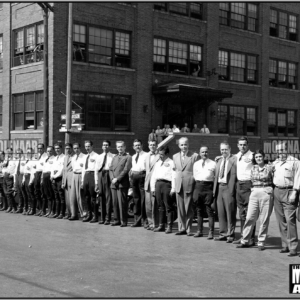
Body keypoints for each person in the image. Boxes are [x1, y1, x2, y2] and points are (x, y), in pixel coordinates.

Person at [237, 150, 274, 251]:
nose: (258, 158)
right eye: (257, 157)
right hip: (254, 193)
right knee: (250, 217)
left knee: (264, 219)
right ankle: (245, 240)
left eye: (260, 156)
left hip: (266, 193)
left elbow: (275, 179)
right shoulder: (253, 167)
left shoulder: (270, 167)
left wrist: (270, 189)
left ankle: (261, 242)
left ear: (264, 157)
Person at [272, 141, 300, 257]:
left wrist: (295, 191)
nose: (280, 153)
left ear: (287, 150)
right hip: (277, 191)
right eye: (278, 151)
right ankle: (285, 245)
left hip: (289, 192)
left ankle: (293, 247)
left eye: (282, 150)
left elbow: (298, 177)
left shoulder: (295, 162)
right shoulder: (275, 162)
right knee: (281, 220)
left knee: (290, 220)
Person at [173, 137, 199, 235]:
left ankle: (189, 229)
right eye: (182, 145)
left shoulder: (194, 156)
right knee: (180, 207)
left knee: (189, 207)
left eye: (185, 144)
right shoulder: (175, 156)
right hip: (179, 184)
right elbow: (175, 171)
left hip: (189, 184)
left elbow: (196, 171)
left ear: (188, 144)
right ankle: (182, 228)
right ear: (179, 145)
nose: (184, 146)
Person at [232, 137, 255, 245]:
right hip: (238, 184)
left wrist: (253, 160)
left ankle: (250, 238)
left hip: (248, 184)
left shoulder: (253, 156)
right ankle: (243, 237)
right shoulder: (236, 156)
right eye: (240, 144)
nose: (242, 146)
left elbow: (260, 164)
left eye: (244, 144)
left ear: (248, 145)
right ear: (237, 145)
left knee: (249, 213)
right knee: (241, 212)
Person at [213, 142, 237, 243]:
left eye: (225, 149)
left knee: (230, 212)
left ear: (230, 149)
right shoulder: (218, 160)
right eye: (222, 150)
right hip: (219, 187)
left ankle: (230, 234)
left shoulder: (234, 159)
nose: (224, 151)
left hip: (228, 187)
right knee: (221, 212)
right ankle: (222, 233)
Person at [151, 146, 176, 233]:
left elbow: (174, 176)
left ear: (167, 154)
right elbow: (154, 175)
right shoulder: (158, 163)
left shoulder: (172, 163)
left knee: (168, 206)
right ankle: (161, 225)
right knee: (160, 206)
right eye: (159, 154)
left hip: (166, 185)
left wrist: (173, 189)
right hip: (158, 184)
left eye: (162, 154)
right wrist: (153, 187)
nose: (160, 156)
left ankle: (169, 226)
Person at [193, 146, 216, 239]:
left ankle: (211, 232)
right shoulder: (196, 164)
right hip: (198, 186)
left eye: (206, 152)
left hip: (208, 187)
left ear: (208, 152)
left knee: (209, 210)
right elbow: (195, 176)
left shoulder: (213, 164)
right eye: (202, 152)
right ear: (199, 153)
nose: (204, 154)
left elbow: (215, 178)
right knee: (199, 210)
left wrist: (213, 191)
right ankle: (199, 231)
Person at [109, 141, 132, 227]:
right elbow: (110, 169)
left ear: (125, 147)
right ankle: (116, 220)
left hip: (122, 183)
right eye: (118, 147)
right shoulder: (114, 157)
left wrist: (117, 179)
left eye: (121, 146)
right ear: (116, 148)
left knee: (122, 203)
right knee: (115, 202)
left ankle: (123, 221)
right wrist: (112, 178)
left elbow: (126, 170)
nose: (120, 148)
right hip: (113, 183)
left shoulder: (128, 157)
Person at [95, 140, 115, 225]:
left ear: (109, 146)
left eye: (107, 145)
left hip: (108, 175)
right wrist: (96, 182)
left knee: (108, 197)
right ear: (102, 147)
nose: (105, 147)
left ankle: (108, 218)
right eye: (104, 145)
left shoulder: (113, 156)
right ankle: (102, 218)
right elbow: (96, 170)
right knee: (101, 196)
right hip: (100, 175)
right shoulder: (99, 157)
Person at [130, 139, 148, 228]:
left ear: (142, 145)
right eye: (136, 145)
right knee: (136, 199)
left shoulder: (146, 155)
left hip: (142, 176)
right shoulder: (133, 156)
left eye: (139, 145)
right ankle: (137, 220)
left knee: (143, 199)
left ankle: (144, 220)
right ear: (133, 147)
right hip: (134, 176)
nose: (137, 147)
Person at [144, 140, 160, 230]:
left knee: (155, 204)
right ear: (148, 146)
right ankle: (150, 223)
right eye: (150, 145)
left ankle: (156, 224)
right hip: (147, 182)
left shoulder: (159, 156)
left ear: (156, 146)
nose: (152, 146)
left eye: (154, 145)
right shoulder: (146, 156)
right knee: (148, 204)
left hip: (155, 182)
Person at [81, 140, 99, 223]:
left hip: (92, 175)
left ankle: (95, 216)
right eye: (86, 146)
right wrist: (82, 181)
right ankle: (89, 214)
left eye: (88, 146)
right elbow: (83, 169)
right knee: (87, 197)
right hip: (86, 176)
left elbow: (96, 170)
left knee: (93, 197)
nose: (87, 148)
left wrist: (96, 182)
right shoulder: (85, 156)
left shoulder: (96, 156)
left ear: (92, 146)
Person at [69, 143, 86, 221]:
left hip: (80, 175)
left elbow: (84, 170)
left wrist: (82, 181)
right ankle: (74, 214)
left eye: (77, 148)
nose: (76, 150)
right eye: (74, 148)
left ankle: (83, 214)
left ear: (80, 148)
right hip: (74, 175)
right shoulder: (73, 157)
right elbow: (73, 168)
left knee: (80, 196)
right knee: (73, 196)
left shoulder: (84, 157)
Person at [32, 143, 48, 216]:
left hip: (42, 174)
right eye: (38, 148)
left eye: (41, 148)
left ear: (44, 148)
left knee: (43, 193)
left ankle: (43, 210)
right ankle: (40, 208)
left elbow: (45, 167)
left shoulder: (46, 156)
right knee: (36, 192)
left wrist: (42, 177)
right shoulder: (36, 156)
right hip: (36, 174)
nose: (39, 150)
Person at [50, 143, 65, 219]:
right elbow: (52, 168)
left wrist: (55, 176)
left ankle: (62, 213)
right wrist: (52, 176)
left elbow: (62, 170)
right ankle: (57, 212)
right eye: (55, 148)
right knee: (56, 196)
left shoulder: (64, 157)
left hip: (60, 178)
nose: (57, 150)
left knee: (61, 196)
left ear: (61, 148)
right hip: (54, 178)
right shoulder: (55, 158)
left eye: (58, 148)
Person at [41, 146, 56, 217]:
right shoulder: (45, 159)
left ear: (53, 151)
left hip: (50, 176)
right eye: (48, 151)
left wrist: (52, 177)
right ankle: (49, 211)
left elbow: (53, 169)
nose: (49, 152)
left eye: (50, 151)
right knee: (47, 194)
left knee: (51, 194)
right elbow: (43, 169)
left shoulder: (54, 159)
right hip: (44, 176)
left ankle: (52, 211)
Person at [62, 143, 74, 220]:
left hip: (72, 180)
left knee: (72, 199)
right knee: (67, 199)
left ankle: (73, 214)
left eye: (69, 148)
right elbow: (64, 170)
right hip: (66, 180)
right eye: (66, 148)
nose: (68, 150)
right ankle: (68, 213)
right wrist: (63, 181)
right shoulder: (65, 157)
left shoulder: (74, 157)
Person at [23, 148, 37, 215]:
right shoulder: (27, 160)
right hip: (26, 177)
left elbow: (33, 172)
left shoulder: (34, 161)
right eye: (27, 152)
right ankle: (29, 208)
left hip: (30, 177)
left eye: (30, 152)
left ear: (33, 153)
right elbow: (24, 171)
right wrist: (23, 180)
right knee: (28, 194)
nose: (28, 153)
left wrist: (30, 181)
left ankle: (33, 209)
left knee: (31, 195)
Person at [3, 148, 17, 213]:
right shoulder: (7, 159)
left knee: (10, 193)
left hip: (10, 177)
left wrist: (13, 174)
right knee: (6, 193)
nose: (9, 153)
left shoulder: (14, 159)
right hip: (5, 176)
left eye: (10, 152)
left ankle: (13, 207)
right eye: (8, 152)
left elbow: (16, 169)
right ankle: (10, 206)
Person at [13, 148, 27, 214]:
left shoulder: (25, 160)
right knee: (19, 193)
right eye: (17, 153)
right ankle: (20, 207)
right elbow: (15, 170)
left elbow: (24, 170)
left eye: (20, 153)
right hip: (17, 176)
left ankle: (25, 207)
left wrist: (23, 179)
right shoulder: (16, 160)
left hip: (22, 176)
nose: (19, 154)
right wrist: (15, 180)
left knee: (23, 193)